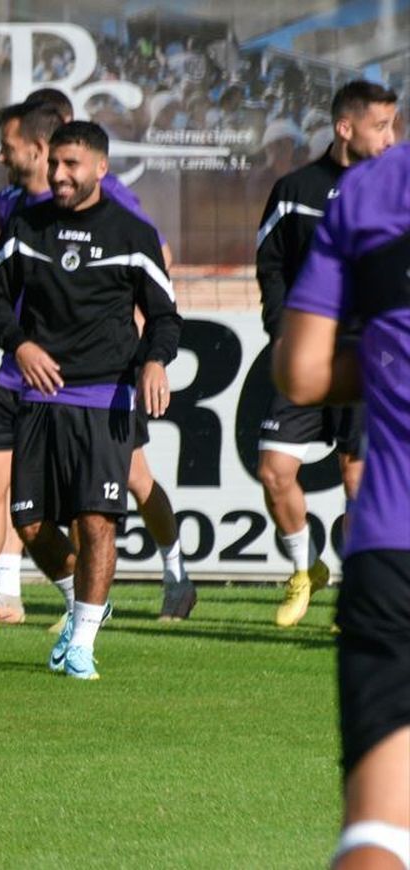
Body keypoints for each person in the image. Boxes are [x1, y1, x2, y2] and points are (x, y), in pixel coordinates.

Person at [0, 97, 194, 631]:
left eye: (12, 144)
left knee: (133, 483)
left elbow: (154, 263)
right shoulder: (16, 209)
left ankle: (172, 573)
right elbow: (3, 290)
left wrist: (145, 350)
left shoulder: (114, 204)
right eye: (52, 161)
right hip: (21, 365)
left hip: (102, 376)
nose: (4, 155)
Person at [0, 121, 182, 679]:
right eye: (55, 165)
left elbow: (165, 316)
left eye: (72, 165)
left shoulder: (132, 234)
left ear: (100, 168)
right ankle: (83, 606)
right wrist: (18, 346)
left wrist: (155, 361)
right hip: (38, 394)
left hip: (105, 395)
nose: (60, 175)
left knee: (97, 521)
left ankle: (85, 642)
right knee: (29, 523)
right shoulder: (25, 225)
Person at [274, 142, 409, 870]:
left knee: (379, 832)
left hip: (393, 545)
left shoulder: (372, 189)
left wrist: (386, 367)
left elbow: (300, 371)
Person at [255, 80, 398, 628]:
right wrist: (281, 329)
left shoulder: (394, 192)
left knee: (358, 480)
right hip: (308, 353)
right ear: (346, 128)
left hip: (372, 357)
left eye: (394, 126)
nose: (391, 139)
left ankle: (357, 595)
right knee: (274, 470)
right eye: (380, 126)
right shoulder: (295, 189)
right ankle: (304, 568)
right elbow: (270, 262)